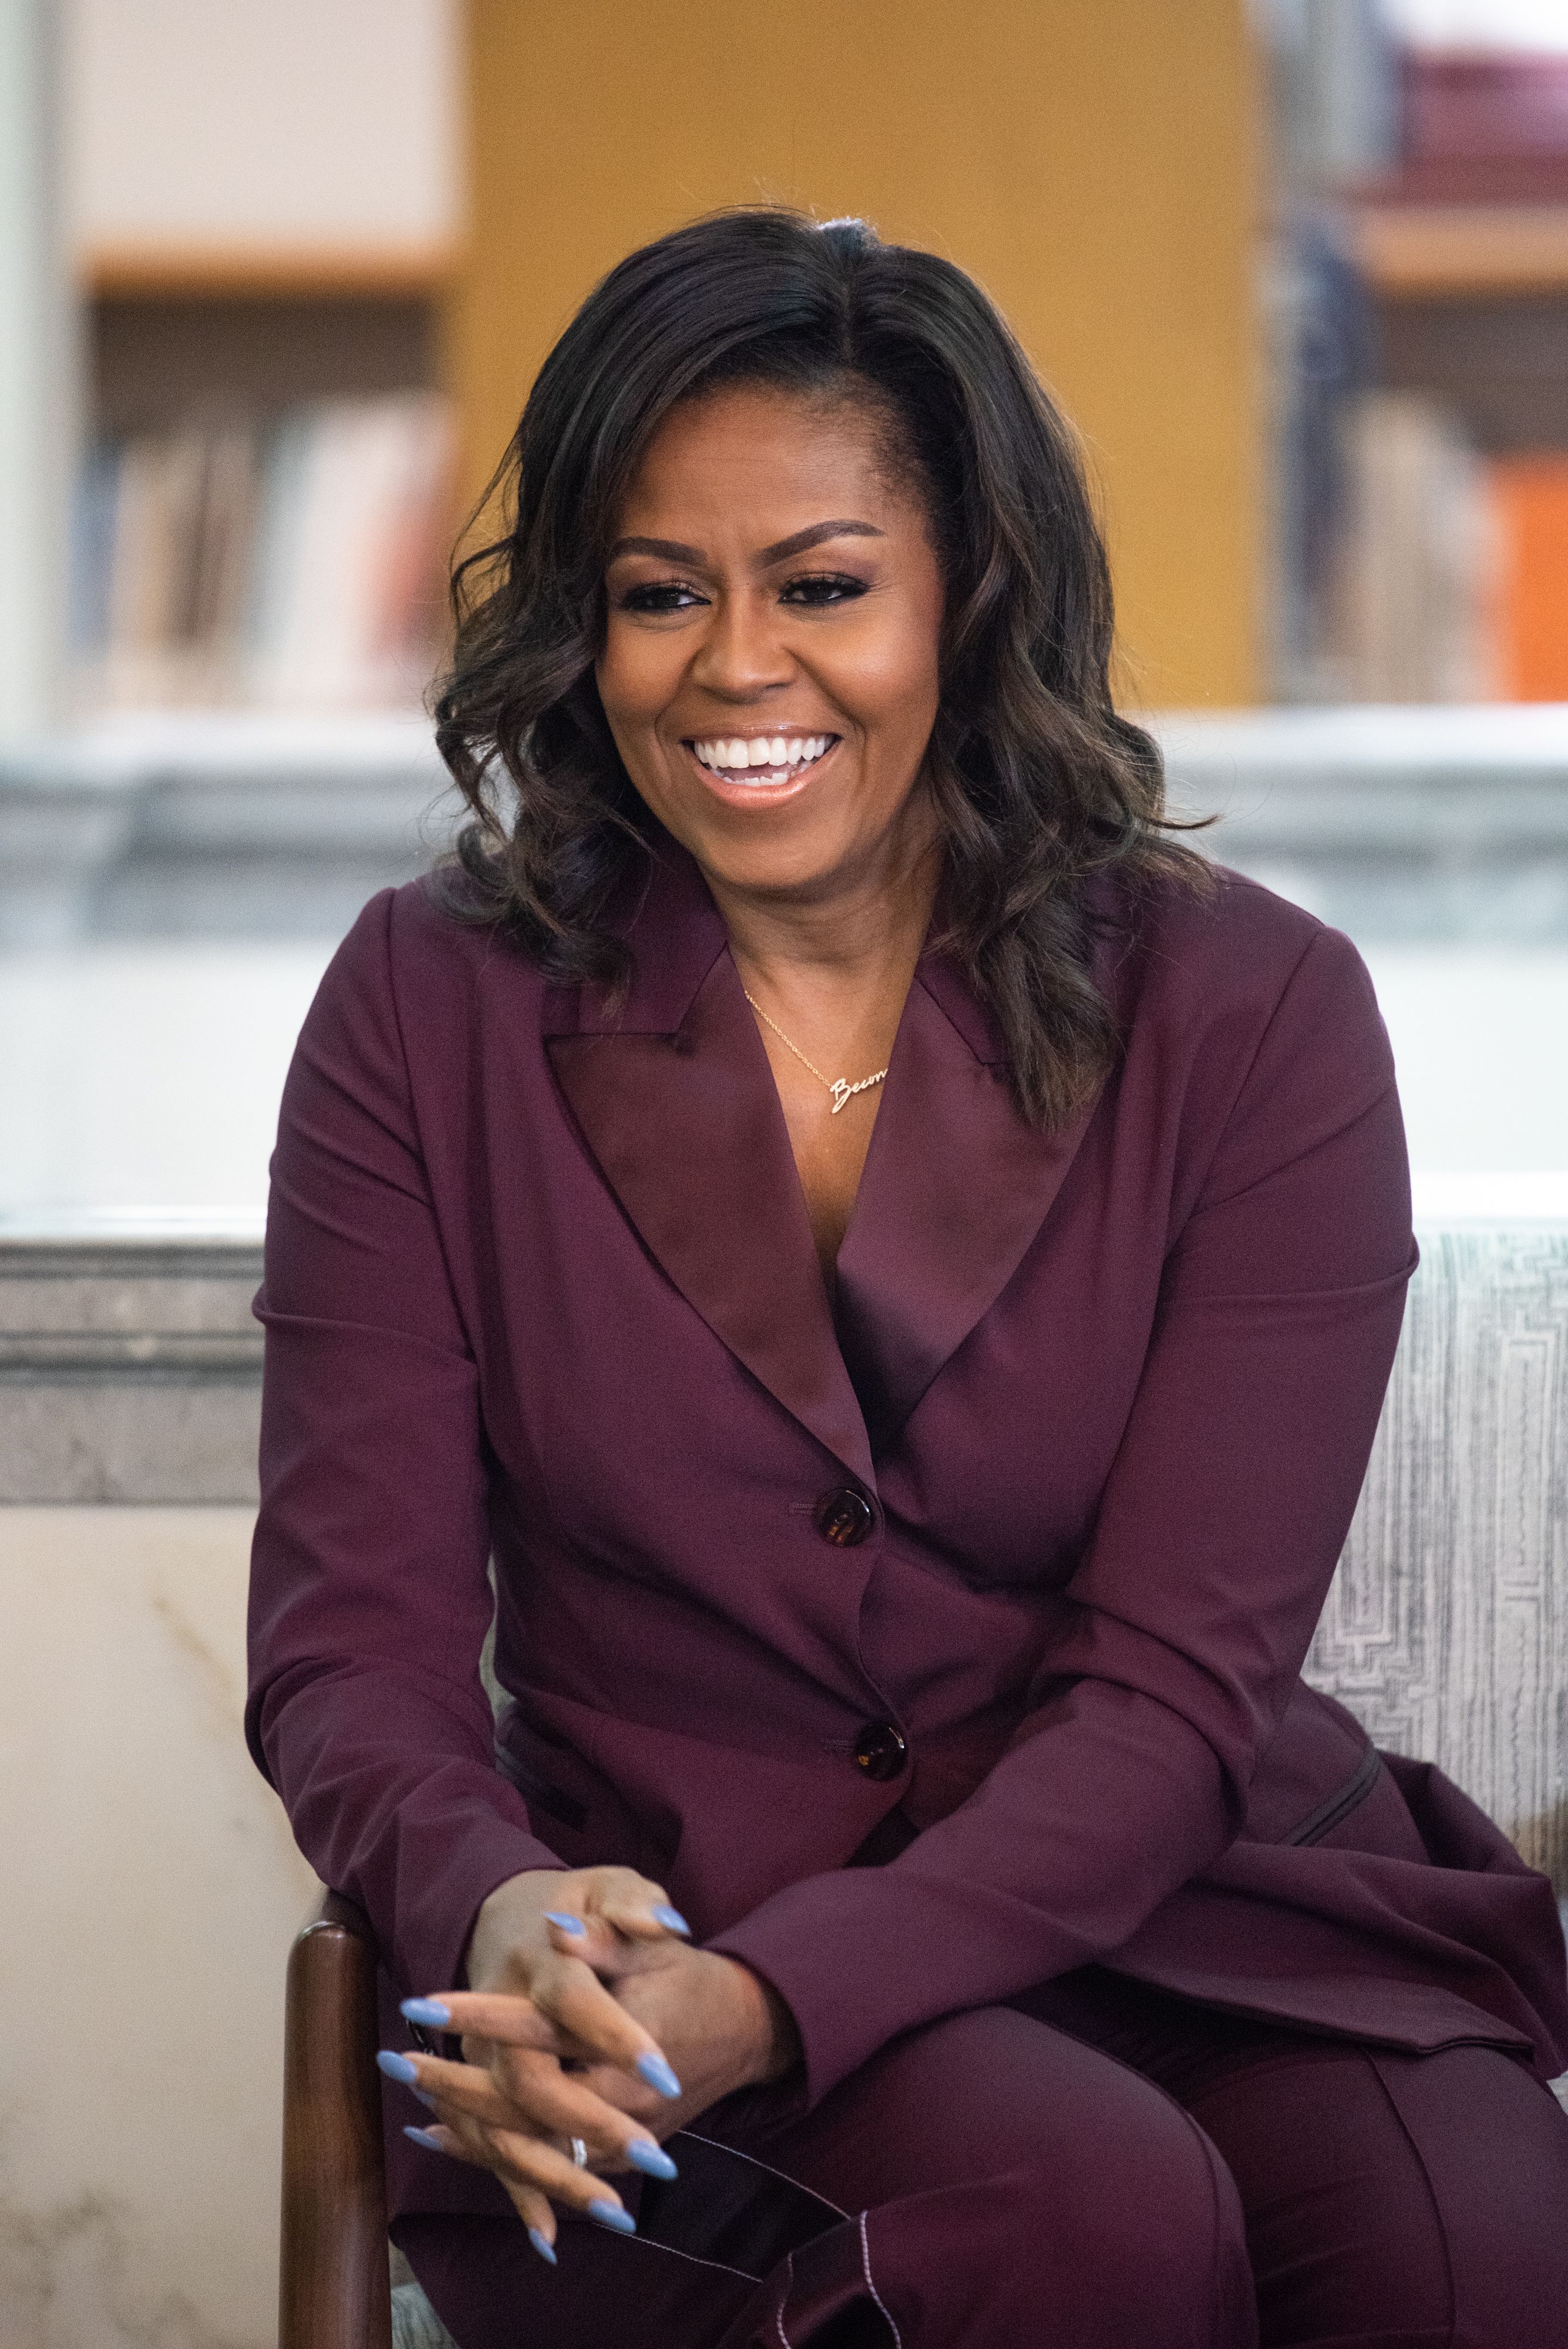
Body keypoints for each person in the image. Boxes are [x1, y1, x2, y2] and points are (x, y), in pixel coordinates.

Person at [246, 210, 1568, 2349]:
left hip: (1200, 1913)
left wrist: (783, 1999)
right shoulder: (428, 1009)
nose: (736, 667)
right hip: (663, 1956)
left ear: (971, 598)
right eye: (661, 594)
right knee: (1076, 2217)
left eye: (826, 587)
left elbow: (1167, 1704)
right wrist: (494, 1903)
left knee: (1482, 2253)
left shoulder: (1258, 1015)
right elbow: (349, 1644)